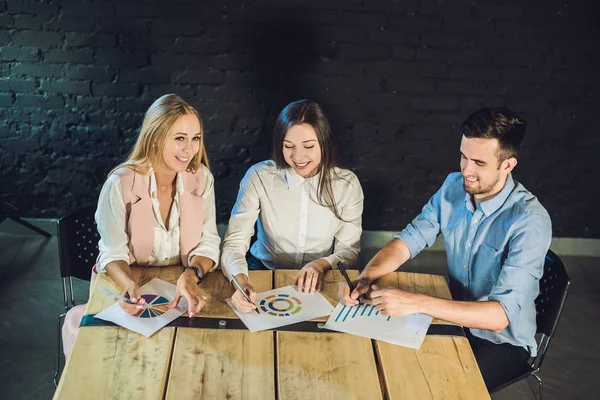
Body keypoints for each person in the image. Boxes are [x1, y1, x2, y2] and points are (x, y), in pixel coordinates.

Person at [339, 107, 551, 391]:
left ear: (507, 166)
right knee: (379, 366)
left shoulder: (530, 221)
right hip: (452, 317)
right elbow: (410, 239)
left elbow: (500, 317)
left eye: (479, 162)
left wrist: (416, 302)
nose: (466, 170)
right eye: (463, 157)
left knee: (431, 390)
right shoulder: (453, 186)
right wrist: (366, 276)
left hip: (502, 342)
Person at [62, 94, 220, 357]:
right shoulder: (120, 183)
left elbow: (210, 242)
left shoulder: (202, 179)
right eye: (179, 138)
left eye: (196, 138)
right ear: (156, 138)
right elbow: (112, 253)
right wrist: (127, 285)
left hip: (181, 292)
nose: (190, 149)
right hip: (131, 288)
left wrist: (191, 275)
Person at [222, 99, 364, 312]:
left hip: (322, 275)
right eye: (288, 146)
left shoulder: (346, 184)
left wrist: (322, 264)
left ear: (324, 142)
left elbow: (349, 250)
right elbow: (234, 242)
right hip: (262, 269)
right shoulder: (259, 176)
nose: (298, 157)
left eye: (308, 146)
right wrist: (240, 282)